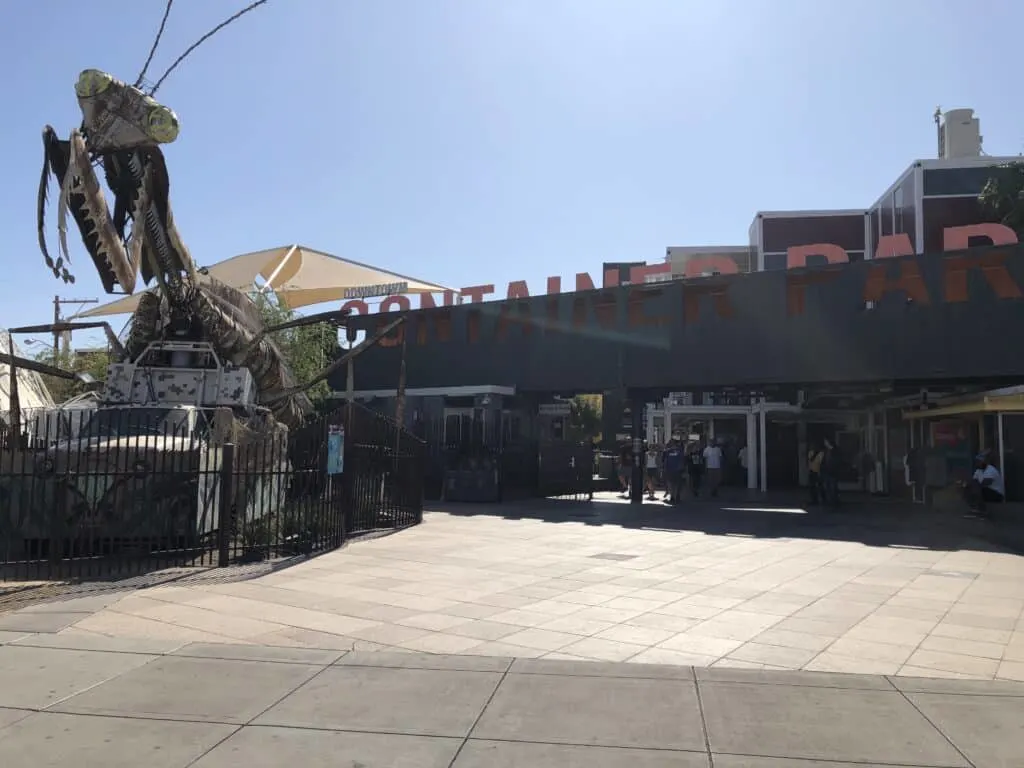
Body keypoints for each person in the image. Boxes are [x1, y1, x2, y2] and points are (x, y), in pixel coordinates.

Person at [963, 452, 1004, 518]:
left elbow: (985, 483)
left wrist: (973, 485)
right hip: (984, 491)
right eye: (977, 462)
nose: (977, 464)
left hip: (996, 494)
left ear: (984, 462)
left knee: (976, 489)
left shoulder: (991, 470)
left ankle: (982, 510)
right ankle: (975, 509)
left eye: (979, 462)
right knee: (966, 489)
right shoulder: (978, 471)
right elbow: (973, 482)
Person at [662, 438, 684, 503]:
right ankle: (673, 496)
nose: (671, 444)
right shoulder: (667, 451)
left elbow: (682, 460)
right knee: (671, 483)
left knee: (676, 484)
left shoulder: (679, 450)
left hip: (677, 469)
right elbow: (664, 460)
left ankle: (676, 495)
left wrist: (681, 468)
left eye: (672, 443)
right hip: (670, 469)